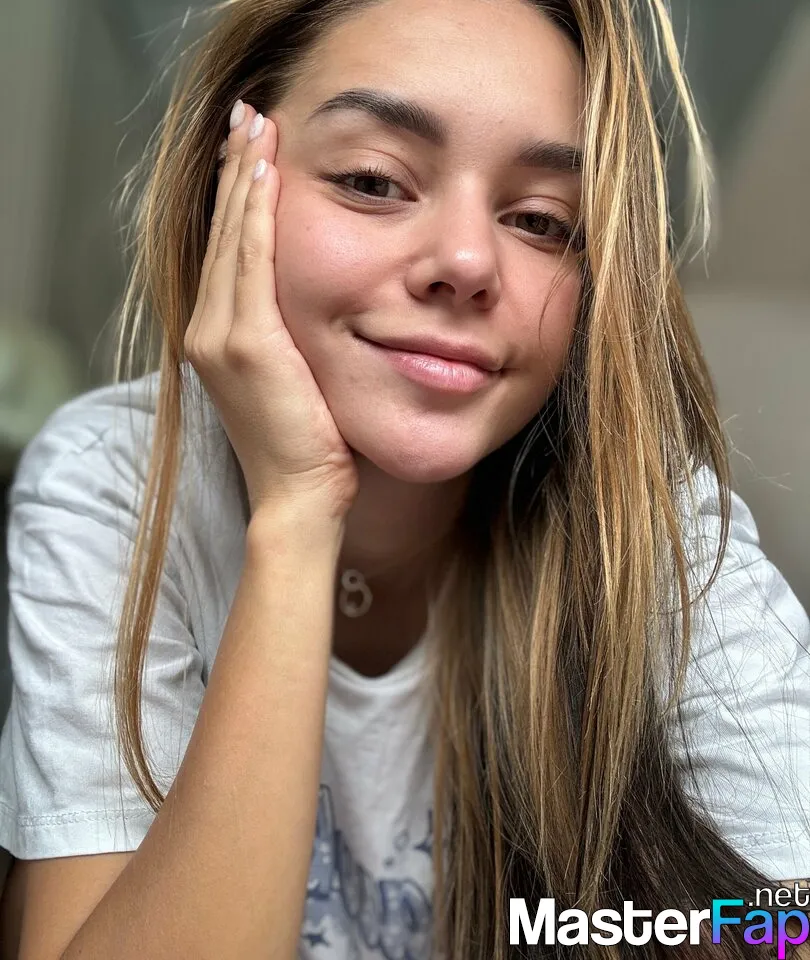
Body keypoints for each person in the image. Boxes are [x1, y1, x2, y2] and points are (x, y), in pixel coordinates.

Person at [0, 0, 808, 956]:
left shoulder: (654, 526)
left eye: (542, 221)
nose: (466, 262)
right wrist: (296, 517)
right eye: (373, 181)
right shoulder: (112, 482)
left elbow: (787, 922)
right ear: (231, 191)